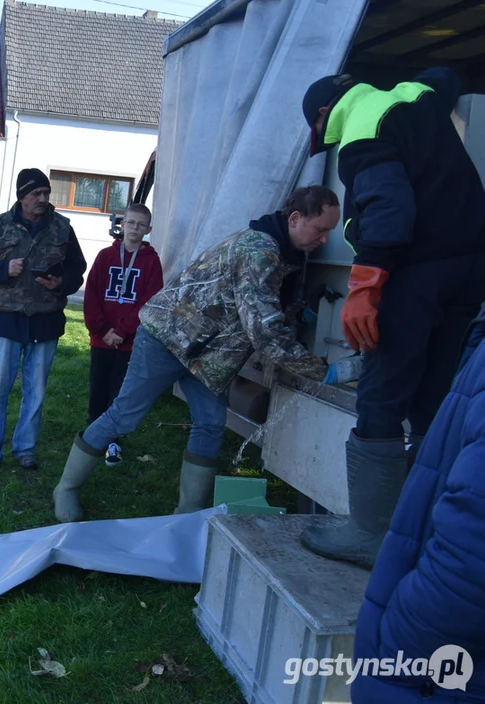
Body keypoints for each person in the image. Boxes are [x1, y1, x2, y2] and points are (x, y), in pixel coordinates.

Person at [52, 186, 361, 523]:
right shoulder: (260, 251)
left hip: (208, 354)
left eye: (330, 230)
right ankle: (66, 488)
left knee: (211, 423)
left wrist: (300, 314)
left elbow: (260, 306)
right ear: (296, 219)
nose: (325, 239)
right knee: (125, 415)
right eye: (321, 229)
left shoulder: (284, 252)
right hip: (167, 339)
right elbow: (265, 329)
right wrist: (326, 372)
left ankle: (188, 514)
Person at [299, 66, 485, 568]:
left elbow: (388, 204)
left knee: (381, 394)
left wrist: (364, 285)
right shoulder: (415, 96)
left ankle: (368, 535)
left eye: (322, 135)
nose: (328, 143)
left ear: (324, 113)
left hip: (414, 273)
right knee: (434, 397)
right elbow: (446, 76)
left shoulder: (361, 119)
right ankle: (424, 531)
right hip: (469, 271)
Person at [352, 313, 485, 702]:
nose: (322, 245)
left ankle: (363, 531)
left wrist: (403, 642)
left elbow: (472, 551)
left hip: (428, 664)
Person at [0, 168, 86, 472]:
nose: (43, 199)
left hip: (45, 322)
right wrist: (3, 269)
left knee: (36, 391)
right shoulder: (0, 226)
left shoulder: (62, 228)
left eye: (46, 193)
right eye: (36, 194)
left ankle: (25, 449)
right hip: (5, 321)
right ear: (22, 196)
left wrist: (60, 283)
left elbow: (77, 268)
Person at [82, 204, 164, 465]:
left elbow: (150, 300)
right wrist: (103, 330)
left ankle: (113, 442)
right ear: (122, 224)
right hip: (102, 339)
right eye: (130, 223)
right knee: (98, 387)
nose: (135, 228)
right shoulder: (105, 256)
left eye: (141, 225)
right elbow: (91, 295)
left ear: (148, 229)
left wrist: (122, 330)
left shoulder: (151, 261)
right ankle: (91, 438)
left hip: (129, 342)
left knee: (119, 392)